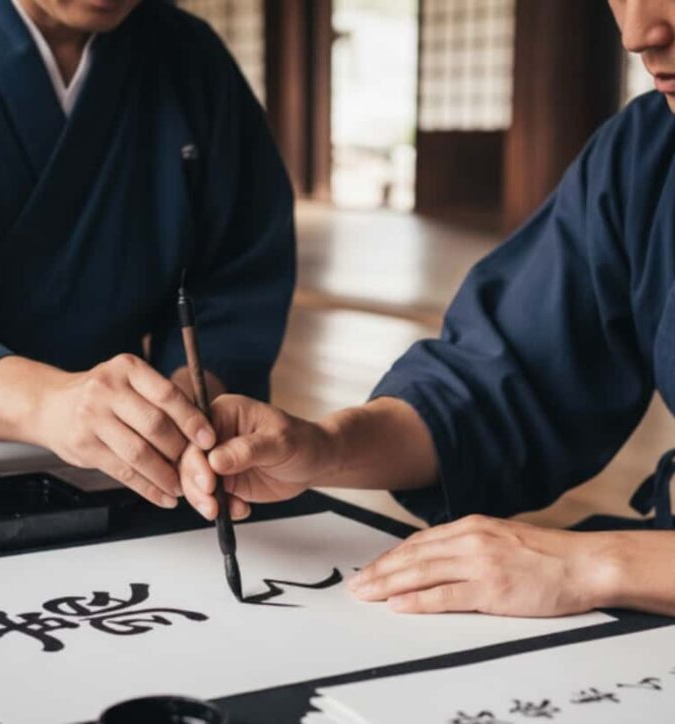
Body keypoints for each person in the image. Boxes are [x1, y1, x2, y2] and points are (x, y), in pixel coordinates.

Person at [181, 0, 675, 619]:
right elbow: (505, 384)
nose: (638, 33)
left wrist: (602, 564)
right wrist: (323, 448)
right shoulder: (650, 152)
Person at [0, 0, 295, 508]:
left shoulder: (189, 57)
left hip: (116, 463)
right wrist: (43, 402)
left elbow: (237, 270)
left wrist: (188, 400)